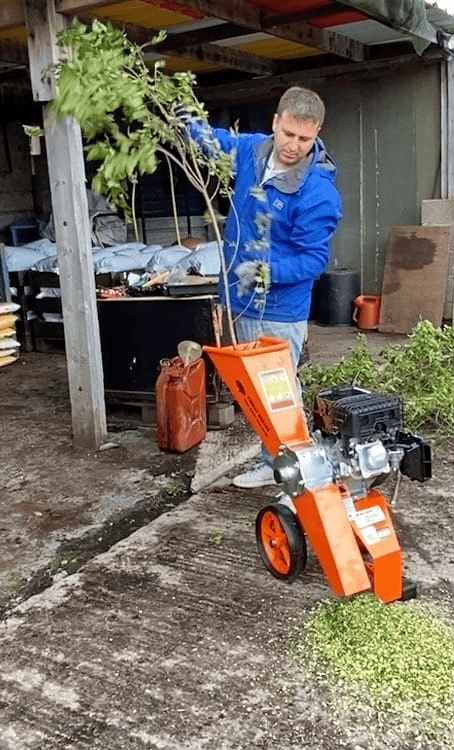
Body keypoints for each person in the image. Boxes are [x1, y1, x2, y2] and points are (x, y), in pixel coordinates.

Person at [176, 86, 342, 488]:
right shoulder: (253, 151)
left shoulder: (318, 192)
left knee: (280, 398)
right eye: (288, 134)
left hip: (278, 311)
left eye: (304, 139)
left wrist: (267, 272)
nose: (293, 145)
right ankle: (277, 464)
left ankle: (299, 477)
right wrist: (187, 124)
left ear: (317, 132)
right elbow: (217, 141)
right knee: (254, 395)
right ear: (276, 122)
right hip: (237, 297)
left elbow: (313, 259)